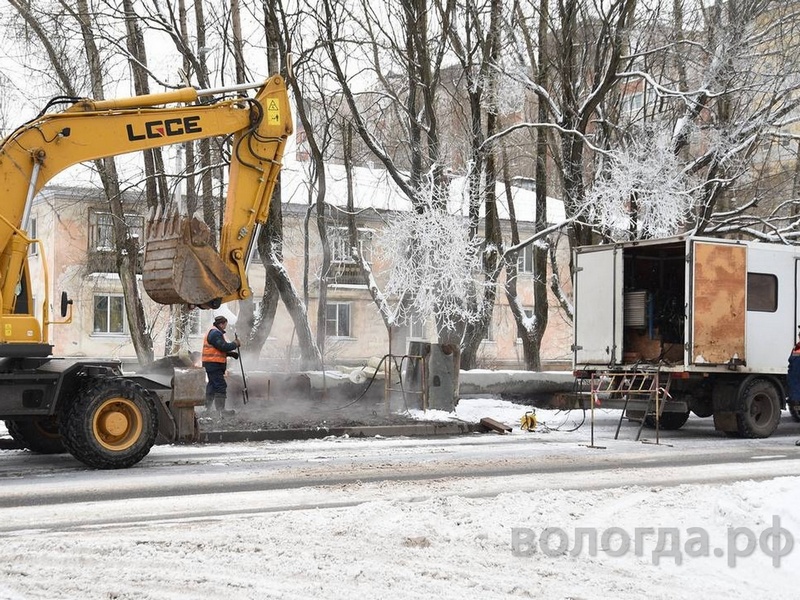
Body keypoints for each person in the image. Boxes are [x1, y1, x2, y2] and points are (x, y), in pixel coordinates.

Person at [202, 315, 240, 416]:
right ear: (221, 324)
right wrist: (235, 344)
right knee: (220, 385)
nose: (225, 327)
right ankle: (221, 410)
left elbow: (217, 349)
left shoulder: (213, 332)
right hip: (214, 364)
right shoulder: (215, 333)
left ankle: (207, 408)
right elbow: (222, 346)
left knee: (212, 385)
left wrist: (231, 354)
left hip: (211, 363)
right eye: (225, 325)